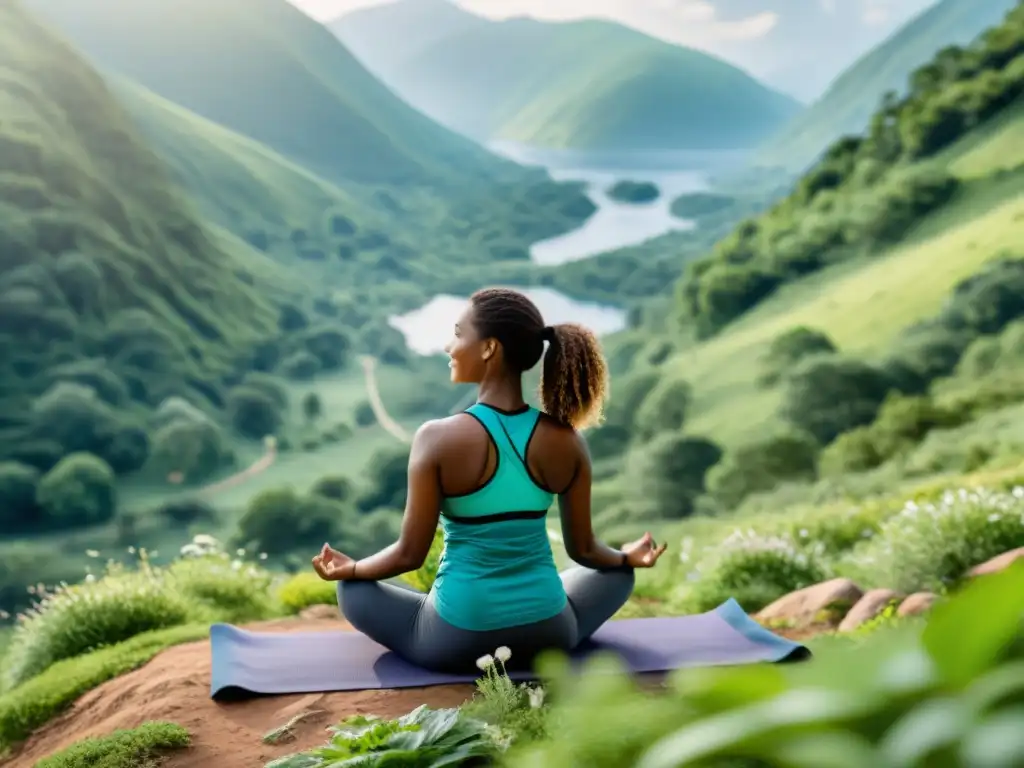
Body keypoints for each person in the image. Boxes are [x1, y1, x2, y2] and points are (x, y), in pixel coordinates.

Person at [311, 287, 667, 673]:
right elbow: (584, 550)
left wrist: (352, 569)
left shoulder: (436, 438)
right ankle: (568, 598)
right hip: (551, 634)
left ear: (488, 348)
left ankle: (368, 586)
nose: (450, 346)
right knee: (616, 573)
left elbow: (408, 554)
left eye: (459, 333)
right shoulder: (568, 441)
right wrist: (626, 558)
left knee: (354, 589)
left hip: (457, 641)